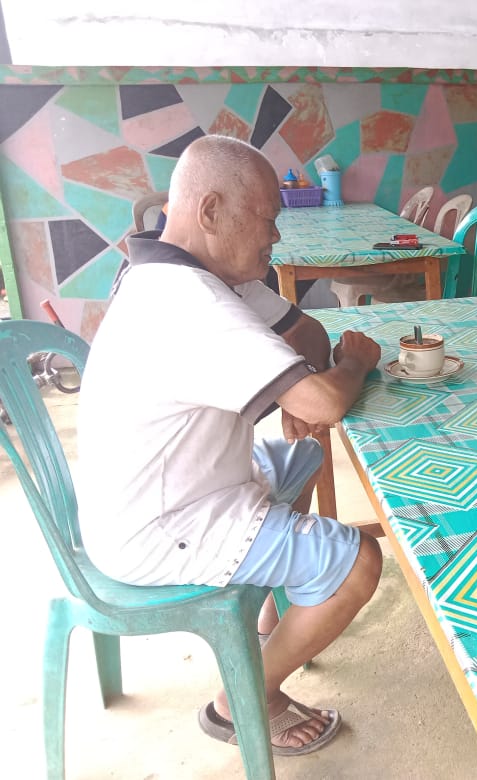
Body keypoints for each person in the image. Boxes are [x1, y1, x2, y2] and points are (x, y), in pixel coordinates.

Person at [78, 134, 383, 755]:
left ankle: (272, 614)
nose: (276, 235)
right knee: (359, 561)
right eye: (267, 219)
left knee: (304, 454)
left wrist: (299, 386)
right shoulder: (188, 300)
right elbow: (326, 401)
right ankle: (244, 700)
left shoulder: (205, 273)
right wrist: (353, 363)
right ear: (211, 211)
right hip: (161, 526)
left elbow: (307, 332)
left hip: (192, 482)